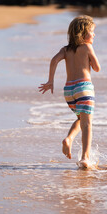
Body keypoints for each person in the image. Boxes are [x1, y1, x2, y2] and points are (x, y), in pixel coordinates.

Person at [38, 15, 101, 168]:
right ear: (83, 33)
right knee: (87, 123)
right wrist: (91, 60)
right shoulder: (87, 47)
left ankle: (69, 138)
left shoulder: (65, 50)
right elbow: (97, 68)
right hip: (83, 87)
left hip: (69, 91)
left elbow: (54, 60)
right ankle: (85, 157)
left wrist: (50, 81)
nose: (94, 35)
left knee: (81, 119)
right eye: (92, 32)